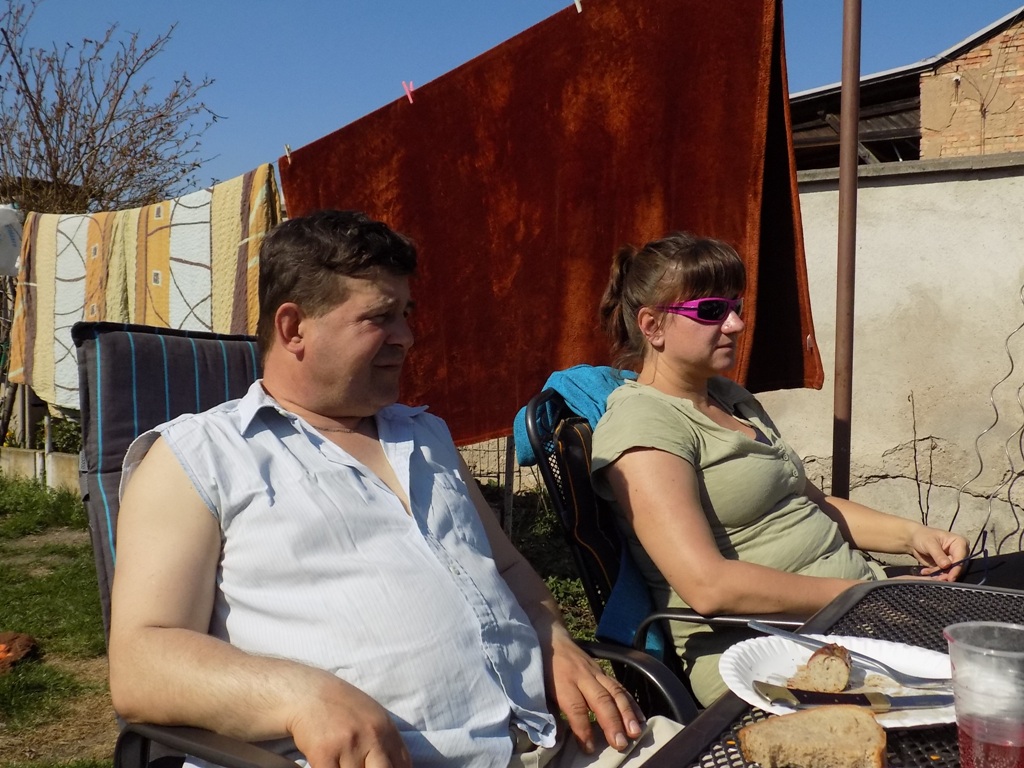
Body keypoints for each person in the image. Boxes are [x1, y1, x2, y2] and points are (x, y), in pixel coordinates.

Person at [108, 210, 681, 768]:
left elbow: (505, 568)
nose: (407, 337)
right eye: (380, 317)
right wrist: (301, 696)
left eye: (407, 313)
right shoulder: (199, 456)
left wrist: (551, 636)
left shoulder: (425, 434)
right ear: (293, 328)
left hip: (558, 740)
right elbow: (142, 661)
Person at [589, 231, 1002, 708]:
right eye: (712, 311)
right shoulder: (644, 425)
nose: (736, 324)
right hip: (772, 652)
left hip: (853, 618)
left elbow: (813, 503)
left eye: (736, 306)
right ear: (653, 326)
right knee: (995, 684)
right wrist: (866, 594)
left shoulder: (729, 398)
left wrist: (914, 536)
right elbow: (708, 586)